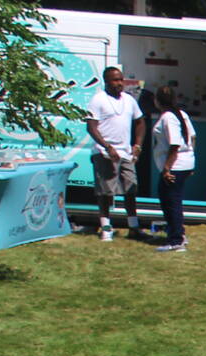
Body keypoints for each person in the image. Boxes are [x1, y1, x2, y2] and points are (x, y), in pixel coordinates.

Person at [85, 67, 143, 241]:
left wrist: (138, 145)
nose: (119, 83)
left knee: (130, 189)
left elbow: (140, 122)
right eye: (115, 80)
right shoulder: (98, 100)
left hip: (125, 152)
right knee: (106, 191)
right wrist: (106, 146)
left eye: (121, 79)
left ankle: (133, 227)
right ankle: (106, 227)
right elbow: (91, 127)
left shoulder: (129, 100)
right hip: (105, 152)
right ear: (106, 81)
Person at [149, 85, 194, 252]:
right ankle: (178, 234)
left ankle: (176, 240)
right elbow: (193, 138)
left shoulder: (168, 117)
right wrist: (191, 159)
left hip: (174, 166)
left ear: (157, 101)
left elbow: (174, 144)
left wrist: (167, 169)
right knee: (170, 199)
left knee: (171, 202)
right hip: (184, 163)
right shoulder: (182, 114)